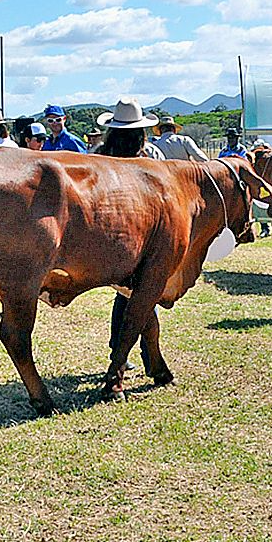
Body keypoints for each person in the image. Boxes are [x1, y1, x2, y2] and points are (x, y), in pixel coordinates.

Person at [94, 98, 163, 370]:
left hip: (110, 232)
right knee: (144, 292)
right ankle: (146, 352)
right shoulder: (151, 157)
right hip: (148, 231)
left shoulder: (100, 155)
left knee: (125, 293)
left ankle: (122, 348)